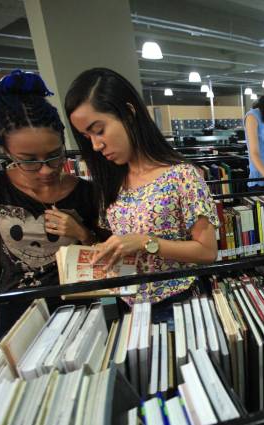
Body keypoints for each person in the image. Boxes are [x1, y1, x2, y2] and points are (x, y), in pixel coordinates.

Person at [66, 68, 219, 322]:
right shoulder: (111, 181)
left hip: (176, 306)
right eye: (87, 136)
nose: (95, 145)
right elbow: (115, 240)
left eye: (99, 130)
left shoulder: (182, 176)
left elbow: (207, 252)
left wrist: (145, 242)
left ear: (128, 112)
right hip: (129, 306)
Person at [0, 70, 100, 351]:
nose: (46, 170)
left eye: (55, 155)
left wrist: (81, 232)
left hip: (77, 300)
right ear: (6, 151)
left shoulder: (88, 192)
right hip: (17, 305)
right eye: (28, 161)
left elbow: (101, 254)